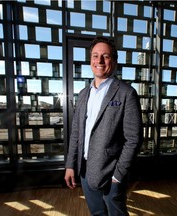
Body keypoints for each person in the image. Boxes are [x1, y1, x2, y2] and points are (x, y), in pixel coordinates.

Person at [64, 36, 143, 216]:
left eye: (105, 56)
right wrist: (71, 165)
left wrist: (118, 175)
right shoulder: (83, 94)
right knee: (97, 213)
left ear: (114, 61)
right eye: (95, 56)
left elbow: (134, 139)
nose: (99, 61)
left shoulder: (126, 93)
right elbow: (76, 133)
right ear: (90, 60)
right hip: (84, 170)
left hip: (111, 172)